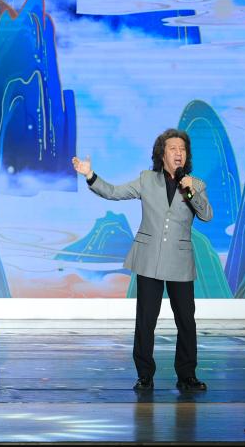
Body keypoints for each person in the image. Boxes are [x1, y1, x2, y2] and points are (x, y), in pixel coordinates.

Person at [73, 128, 213, 391]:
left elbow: (206, 215)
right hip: (149, 259)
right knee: (146, 320)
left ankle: (187, 375)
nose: (179, 153)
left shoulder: (195, 184)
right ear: (162, 154)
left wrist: (190, 191)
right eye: (173, 148)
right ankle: (145, 374)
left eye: (182, 149)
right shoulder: (147, 180)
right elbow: (114, 192)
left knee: (186, 320)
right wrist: (90, 175)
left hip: (180, 261)